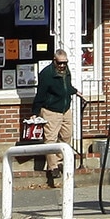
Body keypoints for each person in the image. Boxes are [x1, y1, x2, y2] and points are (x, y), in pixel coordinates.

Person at [31, 48, 77, 187]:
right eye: (60, 63)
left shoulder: (66, 71)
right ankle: (53, 167)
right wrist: (35, 111)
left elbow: (66, 87)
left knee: (66, 136)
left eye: (65, 62)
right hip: (51, 110)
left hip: (65, 109)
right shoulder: (46, 74)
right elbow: (41, 94)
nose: (62, 65)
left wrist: (74, 91)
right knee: (50, 138)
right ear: (54, 60)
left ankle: (62, 161)